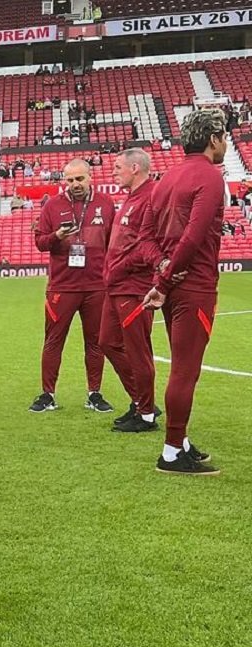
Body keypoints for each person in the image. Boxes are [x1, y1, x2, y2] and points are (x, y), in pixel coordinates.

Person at [141, 109, 226, 475]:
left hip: (174, 283)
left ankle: (182, 441)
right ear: (213, 138)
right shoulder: (210, 176)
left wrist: (162, 268)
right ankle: (172, 452)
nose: (225, 144)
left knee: (182, 366)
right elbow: (193, 235)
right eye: (224, 137)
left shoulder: (166, 178)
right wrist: (165, 279)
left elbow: (144, 236)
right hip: (194, 285)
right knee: (185, 370)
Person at [29, 159, 117, 413]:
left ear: (90, 177)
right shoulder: (52, 205)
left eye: (79, 179)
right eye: (70, 180)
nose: (75, 184)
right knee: (53, 341)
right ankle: (47, 394)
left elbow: (113, 242)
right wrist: (56, 236)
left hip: (96, 285)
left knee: (96, 342)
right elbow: (40, 242)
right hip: (62, 285)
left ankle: (94, 393)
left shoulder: (105, 203)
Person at [99, 149, 162, 433]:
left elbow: (148, 245)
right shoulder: (130, 198)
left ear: (135, 168)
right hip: (116, 285)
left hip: (135, 287)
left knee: (138, 350)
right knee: (107, 342)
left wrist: (121, 267)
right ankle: (141, 401)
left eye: (117, 166)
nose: (113, 171)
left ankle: (146, 414)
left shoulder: (151, 197)